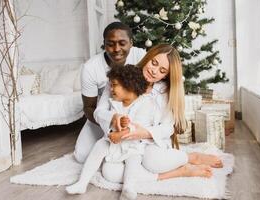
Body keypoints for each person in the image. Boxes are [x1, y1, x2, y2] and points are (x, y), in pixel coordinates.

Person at [94, 44, 223, 196]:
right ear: (148, 57)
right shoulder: (123, 75)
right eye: (154, 63)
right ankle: (181, 171)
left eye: (162, 70)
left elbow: (168, 127)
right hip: (122, 142)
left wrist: (145, 133)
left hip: (148, 143)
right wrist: (113, 117)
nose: (154, 71)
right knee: (110, 174)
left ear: (166, 76)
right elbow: (99, 112)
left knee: (152, 162)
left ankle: (191, 157)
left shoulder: (164, 91)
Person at [67, 65, 164, 199]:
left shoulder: (146, 103)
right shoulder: (115, 103)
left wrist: (123, 131)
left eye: (114, 85)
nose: (111, 89)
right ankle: (82, 183)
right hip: (114, 142)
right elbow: (109, 121)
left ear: (129, 86)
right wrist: (117, 126)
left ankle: (128, 188)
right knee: (100, 145)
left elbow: (140, 127)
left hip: (134, 144)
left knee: (133, 160)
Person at [74, 22, 146, 163]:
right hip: (103, 115)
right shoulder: (90, 68)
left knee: (138, 152)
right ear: (104, 44)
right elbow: (89, 107)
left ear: (131, 43)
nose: (116, 49)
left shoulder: (141, 56)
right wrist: (110, 123)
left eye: (122, 43)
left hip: (135, 115)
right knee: (81, 156)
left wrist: (129, 126)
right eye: (111, 44)